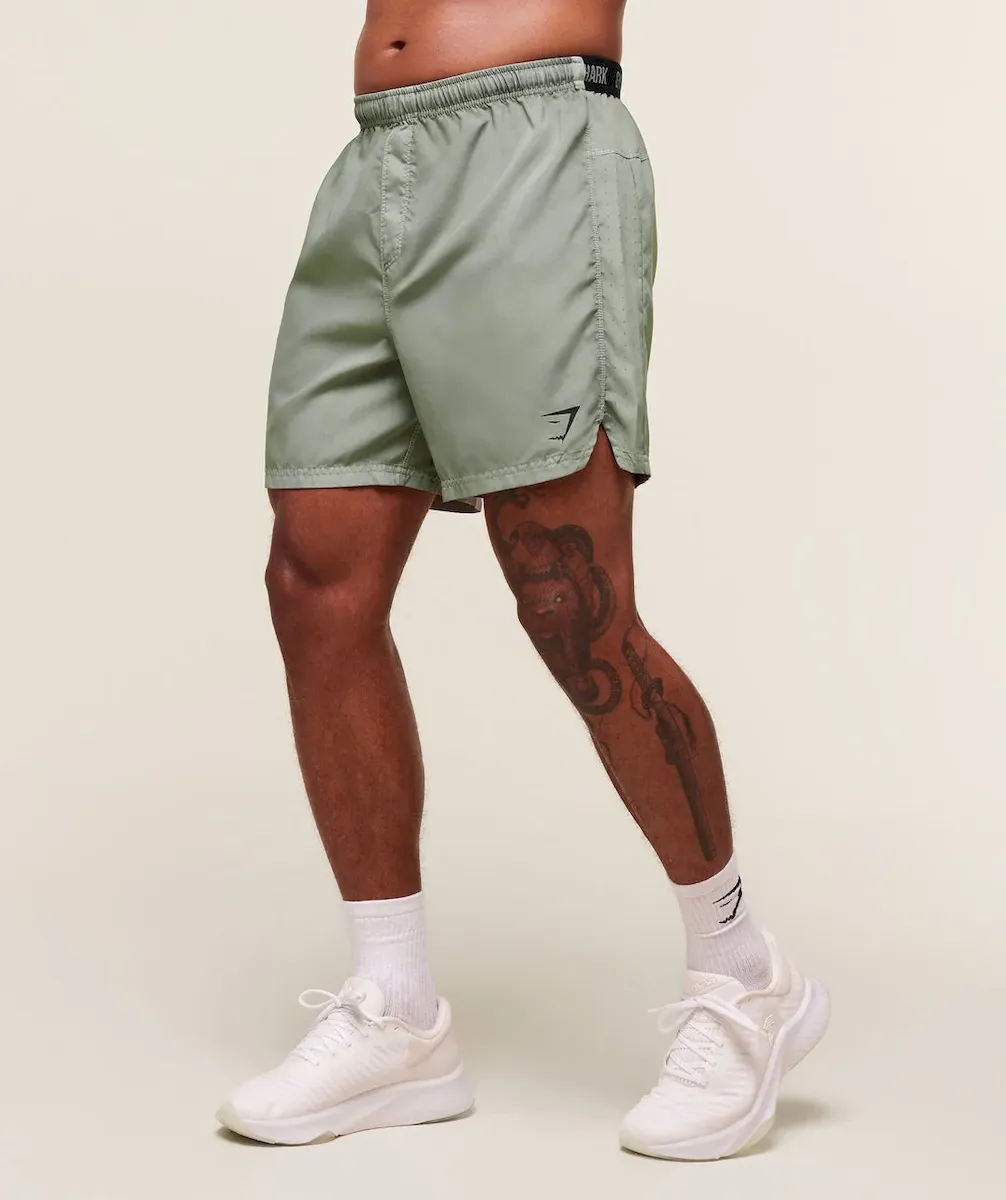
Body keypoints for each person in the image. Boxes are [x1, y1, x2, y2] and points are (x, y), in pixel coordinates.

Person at [216, 0, 829, 1161]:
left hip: (532, 142)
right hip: (376, 158)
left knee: (568, 595)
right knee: (314, 579)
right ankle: (398, 1015)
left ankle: (743, 972)